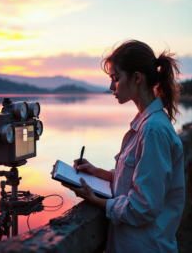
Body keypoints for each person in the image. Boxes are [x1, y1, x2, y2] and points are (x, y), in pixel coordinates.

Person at [62, 40, 185, 253]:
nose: (111, 87)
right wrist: (97, 172)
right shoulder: (146, 123)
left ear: (136, 78)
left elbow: (144, 207)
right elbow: (138, 179)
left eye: (116, 79)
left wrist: (95, 200)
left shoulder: (152, 131)